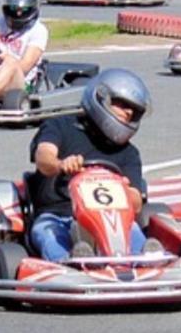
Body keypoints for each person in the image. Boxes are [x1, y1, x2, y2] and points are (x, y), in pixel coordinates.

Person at [28, 69, 156, 262]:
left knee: (134, 230)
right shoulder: (60, 126)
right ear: (100, 98)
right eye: (122, 104)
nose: (129, 112)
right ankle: (69, 263)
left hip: (114, 221)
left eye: (134, 111)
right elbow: (43, 158)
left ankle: (146, 262)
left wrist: (123, 189)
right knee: (48, 234)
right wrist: (61, 164)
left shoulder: (129, 154)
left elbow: (137, 203)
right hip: (58, 215)